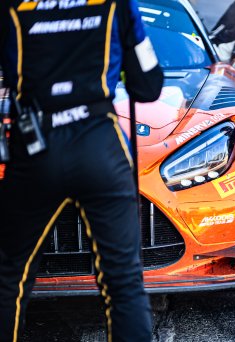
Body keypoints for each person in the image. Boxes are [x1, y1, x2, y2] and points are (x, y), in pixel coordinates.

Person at [0, 0, 163, 341]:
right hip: (99, 141)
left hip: (36, 145)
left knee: (9, 274)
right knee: (123, 280)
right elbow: (148, 85)